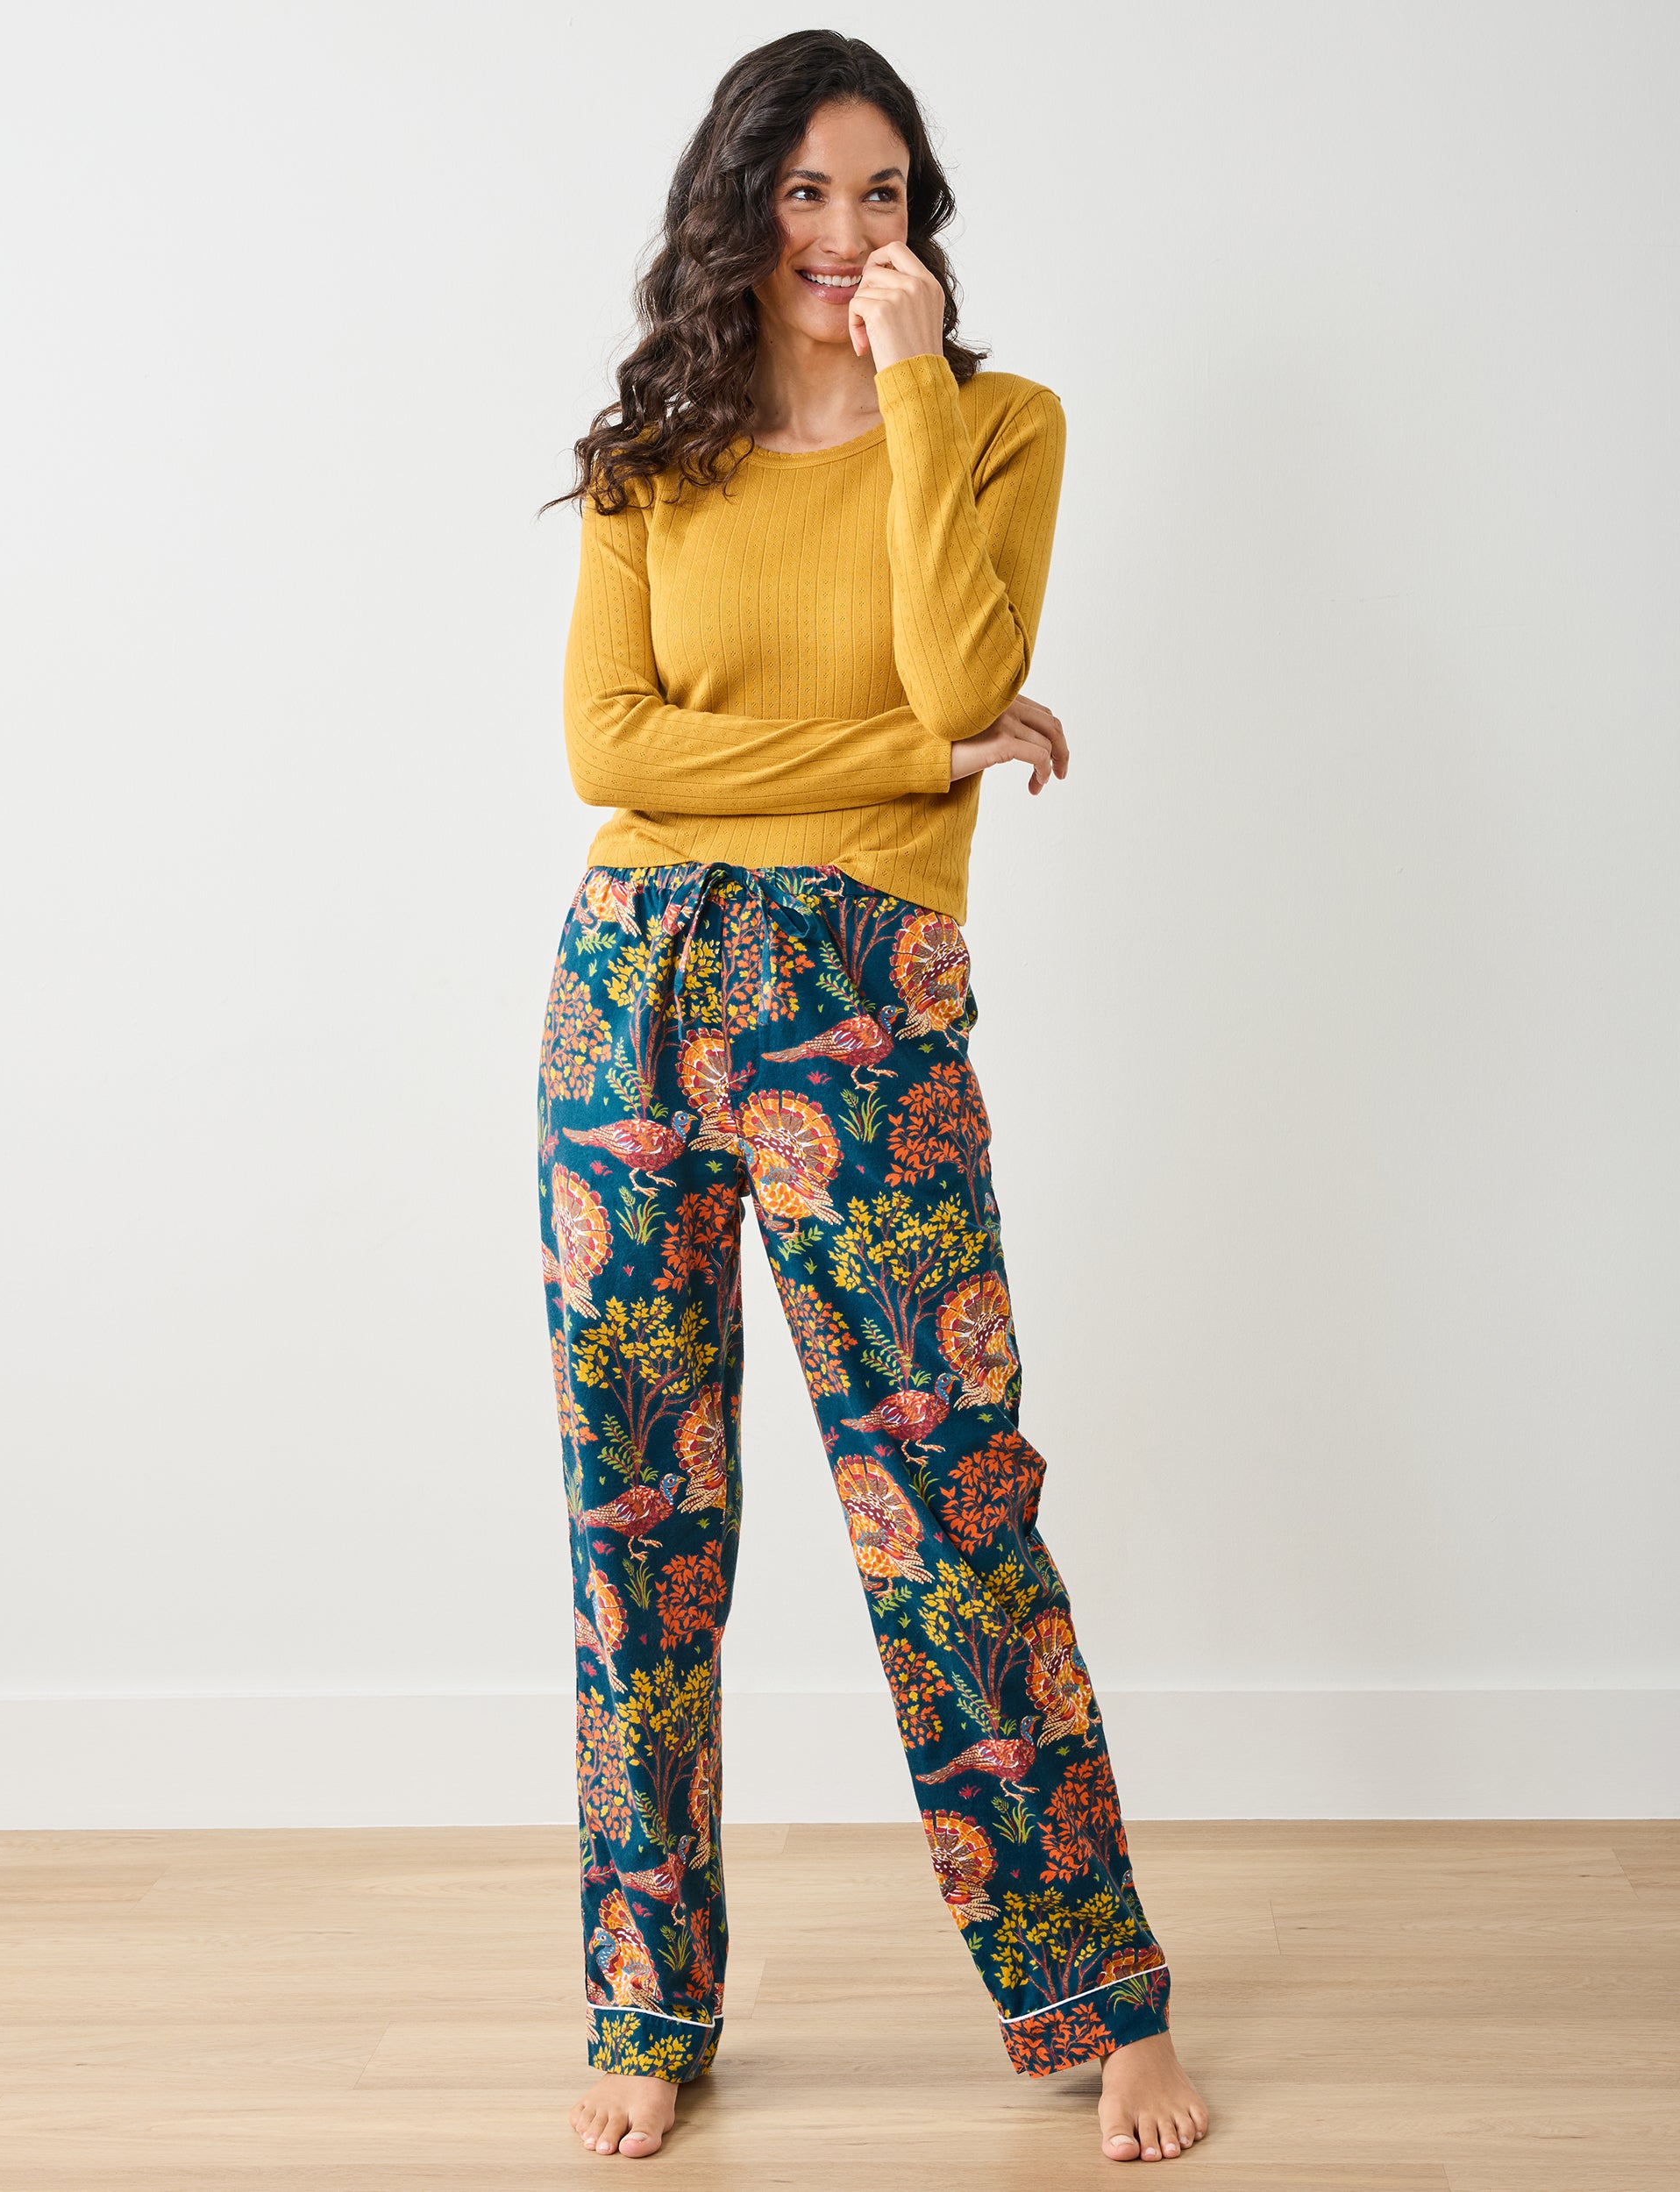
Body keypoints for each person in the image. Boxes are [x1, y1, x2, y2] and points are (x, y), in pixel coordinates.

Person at [536, 29, 1210, 2166]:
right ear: (739, 209)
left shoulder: (996, 424)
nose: (848, 234)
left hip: (861, 999)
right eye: (809, 194)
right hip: (628, 994)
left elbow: (954, 668)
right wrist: (911, 762)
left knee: (950, 1503)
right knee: (640, 1522)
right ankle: (647, 1997)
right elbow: (615, 754)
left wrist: (909, 389)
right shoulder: (652, 454)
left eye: (885, 194)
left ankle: (1098, 1998)